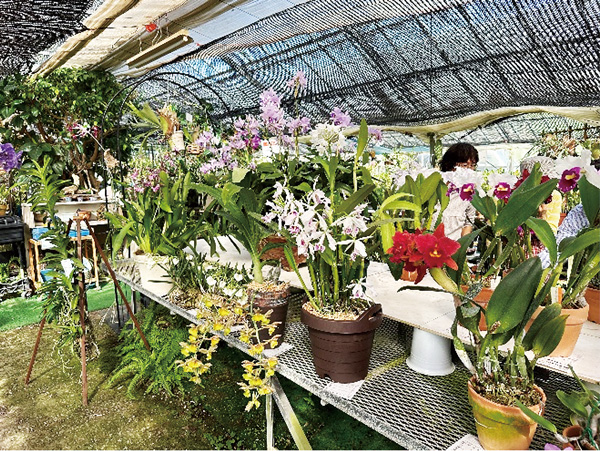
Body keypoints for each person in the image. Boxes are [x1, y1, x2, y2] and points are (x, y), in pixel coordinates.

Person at [439, 143, 479, 240]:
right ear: (450, 164)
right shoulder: (436, 186)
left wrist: (462, 246)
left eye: (472, 165)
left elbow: (468, 222)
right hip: (430, 243)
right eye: (464, 165)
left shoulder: (470, 191)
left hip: (454, 244)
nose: (469, 169)